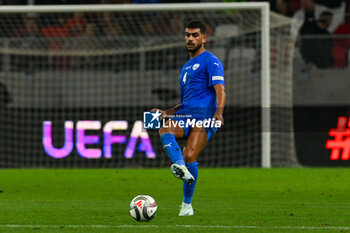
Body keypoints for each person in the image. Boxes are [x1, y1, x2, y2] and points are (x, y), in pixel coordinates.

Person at [151, 20, 226, 216]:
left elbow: (221, 90)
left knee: (190, 155)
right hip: (186, 115)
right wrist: (166, 112)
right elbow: (185, 103)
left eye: (194, 35)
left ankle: (186, 206)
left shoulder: (212, 61)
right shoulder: (185, 67)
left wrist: (218, 113)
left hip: (205, 117)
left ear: (204, 38)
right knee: (165, 128)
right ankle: (181, 168)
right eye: (187, 35)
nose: (190, 39)